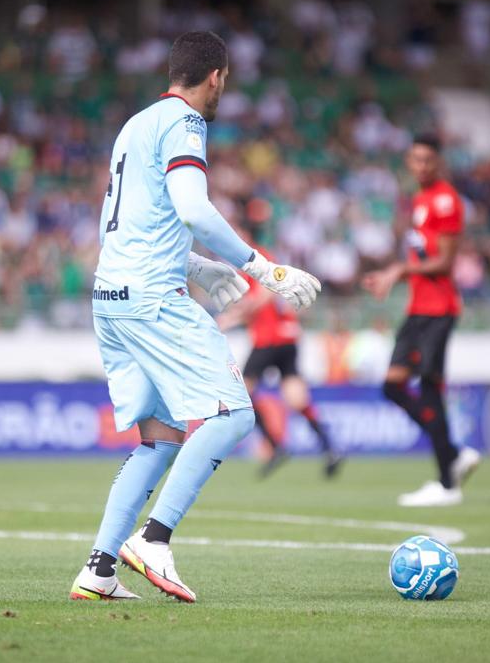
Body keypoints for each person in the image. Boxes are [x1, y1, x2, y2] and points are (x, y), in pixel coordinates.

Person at [69, 32, 321, 603]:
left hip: (111, 299)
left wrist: (197, 265)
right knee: (233, 413)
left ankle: (99, 569)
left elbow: (129, 225)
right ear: (216, 77)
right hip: (152, 299)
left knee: (159, 440)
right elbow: (193, 209)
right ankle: (152, 540)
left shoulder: (135, 125)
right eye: (224, 82)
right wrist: (265, 270)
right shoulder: (186, 122)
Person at [361, 134, 480, 507]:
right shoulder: (420, 200)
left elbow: (445, 262)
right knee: (393, 386)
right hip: (418, 309)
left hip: (439, 310)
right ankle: (452, 455)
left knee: (429, 389)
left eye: (428, 160)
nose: (422, 166)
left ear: (438, 162)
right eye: (416, 159)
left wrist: (398, 270)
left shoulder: (446, 200)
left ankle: (447, 483)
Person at [218, 229, 341, 479]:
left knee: (241, 394)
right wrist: (234, 317)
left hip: (269, 339)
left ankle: (275, 446)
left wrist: (235, 315)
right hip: (286, 337)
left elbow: (268, 292)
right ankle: (330, 448)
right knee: (296, 398)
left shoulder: (255, 257)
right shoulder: (249, 262)